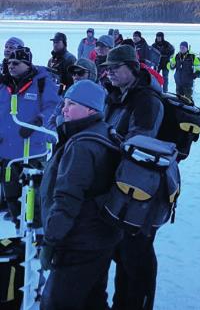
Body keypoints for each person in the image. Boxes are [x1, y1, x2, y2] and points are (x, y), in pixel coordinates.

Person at [39, 80, 122, 310]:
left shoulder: (81, 146)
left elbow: (67, 200)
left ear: (91, 110)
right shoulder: (104, 132)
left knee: (57, 303)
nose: (64, 109)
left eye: (71, 104)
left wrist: (50, 241)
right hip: (100, 237)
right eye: (64, 103)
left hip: (78, 242)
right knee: (93, 299)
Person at [100, 45, 164, 310]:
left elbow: (142, 144)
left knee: (137, 255)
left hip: (142, 193)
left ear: (133, 68)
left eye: (116, 68)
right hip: (122, 188)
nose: (110, 73)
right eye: (107, 69)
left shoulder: (146, 100)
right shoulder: (117, 96)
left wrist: (110, 140)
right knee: (122, 252)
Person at [0, 47, 59, 224]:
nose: (11, 66)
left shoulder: (42, 83)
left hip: (32, 152)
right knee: (12, 197)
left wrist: (38, 122)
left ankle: (35, 237)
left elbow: (54, 107)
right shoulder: (4, 85)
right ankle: (19, 231)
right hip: (7, 153)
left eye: (16, 63)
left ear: (27, 64)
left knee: (35, 200)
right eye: (9, 62)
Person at [47, 58, 99, 130]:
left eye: (80, 73)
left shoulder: (100, 98)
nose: (76, 77)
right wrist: (60, 133)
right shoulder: (68, 95)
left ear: (92, 75)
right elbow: (51, 122)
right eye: (73, 73)